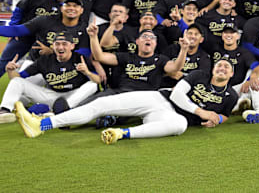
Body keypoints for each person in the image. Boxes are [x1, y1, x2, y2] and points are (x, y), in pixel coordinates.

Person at [15, 59, 238, 143]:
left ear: (231, 75)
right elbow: (178, 95)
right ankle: (42, 124)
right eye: (219, 65)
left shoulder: (231, 96)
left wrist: (217, 118)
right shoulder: (199, 74)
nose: (221, 67)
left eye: (226, 67)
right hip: (157, 98)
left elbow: (225, 114)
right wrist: (201, 113)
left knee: (179, 126)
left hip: (171, 116)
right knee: (101, 105)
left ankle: (122, 134)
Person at [0, 32, 101, 123]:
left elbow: (98, 81)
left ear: (72, 46)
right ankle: (5, 111)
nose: (60, 47)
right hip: (52, 96)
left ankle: (60, 109)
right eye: (57, 44)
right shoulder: (44, 60)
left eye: (64, 44)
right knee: (17, 82)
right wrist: (10, 70)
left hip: (73, 95)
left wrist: (87, 72)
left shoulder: (80, 58)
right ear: (53, 46)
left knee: (92, 85)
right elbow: (17, 78)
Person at [0, 0, 74, 78]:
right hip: (24, 34)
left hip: (45, 41)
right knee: (3, 63)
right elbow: (19, 8)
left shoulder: (71, 7)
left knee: (46, 69)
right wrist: (14, 26)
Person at [210, 24, 255, 114]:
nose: (229, 35)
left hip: (238, 88)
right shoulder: (214, 49)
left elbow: (256, 68)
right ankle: (237, 105)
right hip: (217, 88)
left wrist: (249, 80)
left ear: (238, 36)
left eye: (232, 32)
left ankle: (241, 102)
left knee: (254, 79)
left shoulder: (244, 52)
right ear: (222, 36)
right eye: (226, 32)